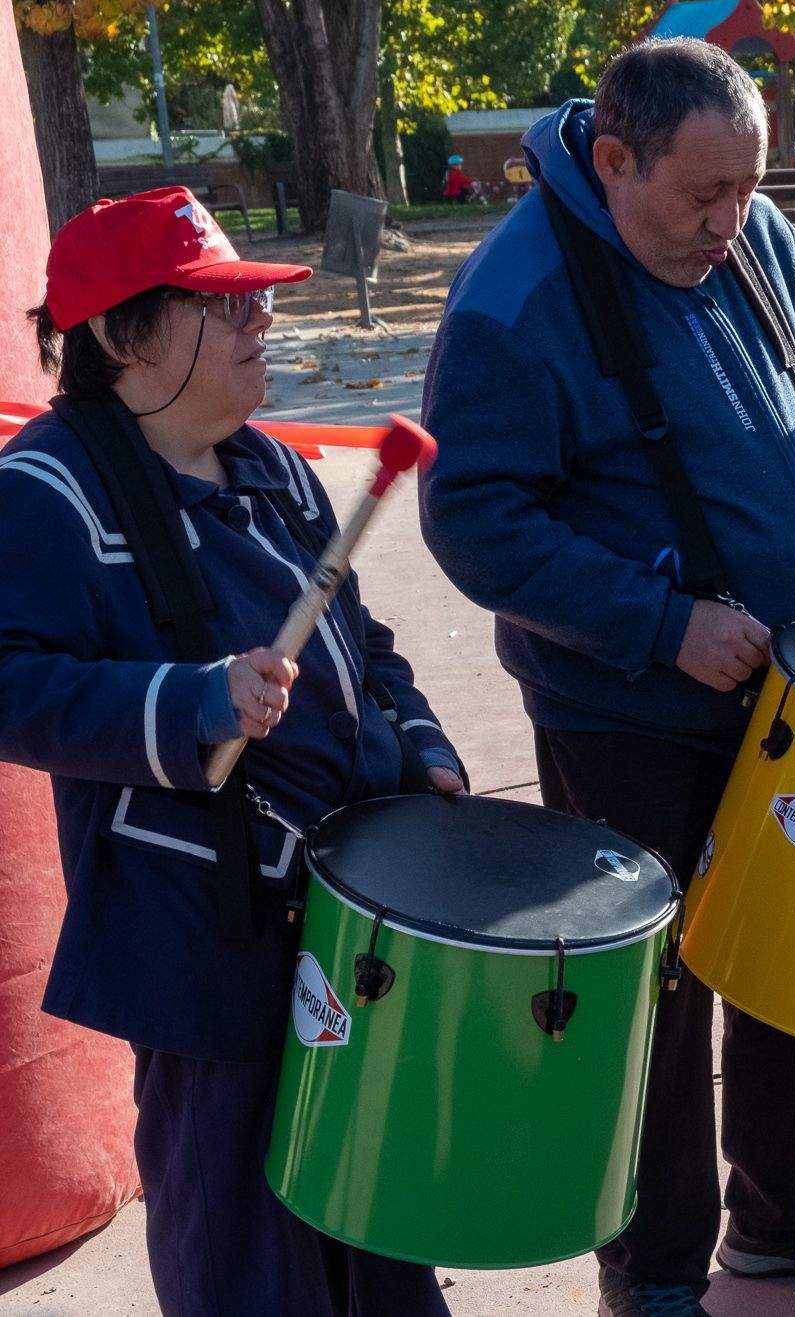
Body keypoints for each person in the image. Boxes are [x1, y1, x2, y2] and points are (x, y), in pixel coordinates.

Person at [419, 39, 795, 1317]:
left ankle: (791, 1216)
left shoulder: (752, 234)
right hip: (628, 714)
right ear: (612, 161)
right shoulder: (513, 299)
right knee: (652, 1004)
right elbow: (475, 519)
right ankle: (649, 1272)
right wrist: (659, 623)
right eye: (703, 195)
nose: (732, 221)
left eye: (748, 188)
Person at [0, 187, 466, 1315]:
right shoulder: (45, 491)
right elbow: (10, 683)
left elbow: (362, 637)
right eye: (220, 305)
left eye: (256, 298)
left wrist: (419, 743)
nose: (261, 321)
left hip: (349, 918)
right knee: (243, 1257)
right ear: (118, 336)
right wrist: (188, 704)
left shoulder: (271, 467)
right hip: (197, 936)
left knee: (378, 1216)